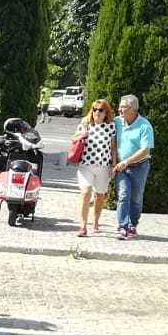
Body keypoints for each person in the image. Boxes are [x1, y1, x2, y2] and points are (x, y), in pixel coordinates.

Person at [72, 99, 118, 237]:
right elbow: (73, 139)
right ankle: (82, 226)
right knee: (85, 193)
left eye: (100, 110)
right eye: (94, 109)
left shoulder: (110, 127)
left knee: (99, 195)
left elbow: (113, 147)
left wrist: (113, 165)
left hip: (103, 166)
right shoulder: (85, 124)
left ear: (106, 112)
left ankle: (96, 222)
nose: (97, 112)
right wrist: (82, 135)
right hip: (86, 165)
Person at [111, 94, 154, 239]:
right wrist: (115, 163)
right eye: (120, 106)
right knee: (123, 195)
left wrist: (126, 162)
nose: (119, 109)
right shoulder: (117, 122)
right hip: (121, 167)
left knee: (136, 198)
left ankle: (132, 224)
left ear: (133, 109)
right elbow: (99, 122)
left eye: (123, 107)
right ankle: (122, 227)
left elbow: (145, 150)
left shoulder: (144, 126)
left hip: (140, 166)